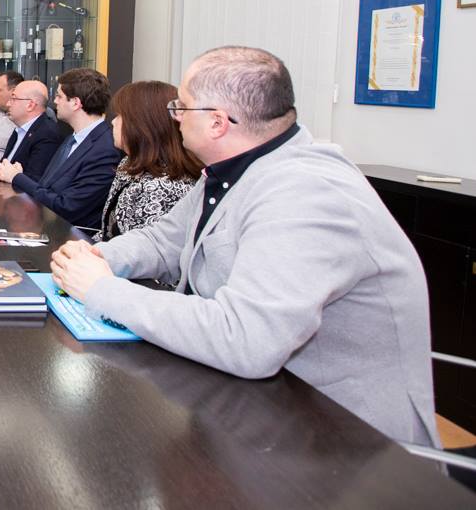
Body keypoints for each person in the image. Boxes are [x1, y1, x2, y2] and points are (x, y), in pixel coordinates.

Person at [49, 46, 438, 446]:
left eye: (181, 106)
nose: (174, 117)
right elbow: (164, 240)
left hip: (342, 442)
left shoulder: (306, 193)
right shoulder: (233, 170)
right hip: (259, 409)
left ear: (217, 123)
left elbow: (247, 339)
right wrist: (94, 257)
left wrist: (103, 290)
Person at [0, 68, 121, 230]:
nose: (55, 101)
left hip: (70, 236)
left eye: (59, 96)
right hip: (47, 226)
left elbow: (68, 207)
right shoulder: (72, 139)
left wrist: (18, 178)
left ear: (75, 103)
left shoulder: (105, 150)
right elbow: (47, 186)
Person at [93, 80, 202, 242]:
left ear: (142, 125)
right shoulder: (128, 164)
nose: (113, 122)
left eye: (120, 116)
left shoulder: (165, 189)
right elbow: (107, 233)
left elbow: (142, 252)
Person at [0, 80, 62, 182]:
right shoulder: (19, 130)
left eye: (13, 99)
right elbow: (1, 166)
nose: (8, 103)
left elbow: (34, 181)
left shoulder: (47, 134)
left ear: (30, 105)